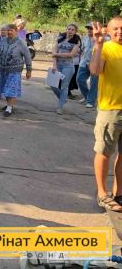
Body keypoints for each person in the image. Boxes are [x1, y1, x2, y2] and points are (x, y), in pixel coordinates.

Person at [89, 16, 122, 212]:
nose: (120, 31)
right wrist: (99, 44)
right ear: (108, 31)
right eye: (115, 28)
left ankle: (119, 194)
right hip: (111, 110)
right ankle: (102, 194)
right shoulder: (106, 48)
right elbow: (94, 70)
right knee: (104, 152)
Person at [0, 24, 32, 117]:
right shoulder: (3, 40)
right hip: (3, 69)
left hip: (15, 70)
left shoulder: (21, 42)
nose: (9, 32)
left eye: (11, 30)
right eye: (8, 30)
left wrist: (29, 70)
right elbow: (0, 53)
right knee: (5, 88)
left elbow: (27, 56)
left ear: (16, 31)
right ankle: (9, 105)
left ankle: (9, 108)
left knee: (12, 88)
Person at [50, 24, 81, 114]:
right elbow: (54, 51)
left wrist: (57, 54)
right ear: (66, 29)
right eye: (69, 29)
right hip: (58, 65)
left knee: (64, 86)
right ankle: (62, 98)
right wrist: (54, 65)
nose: (70, 31)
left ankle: (60, 107)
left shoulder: (76, 42)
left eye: (72, 30)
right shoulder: (60, 38)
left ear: (75, 32)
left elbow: (71, 55)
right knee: (52, 84)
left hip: (68, 66)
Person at [77, 23, 98, 109]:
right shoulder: (85, 38)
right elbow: (82, 49)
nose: (89, 30)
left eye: (91, 28)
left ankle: (90, 101)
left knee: (93, 83)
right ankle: (87, 96)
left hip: (95, 64)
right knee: (79, 79)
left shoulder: (100, 39)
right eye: (88, 28)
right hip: (84, 63)